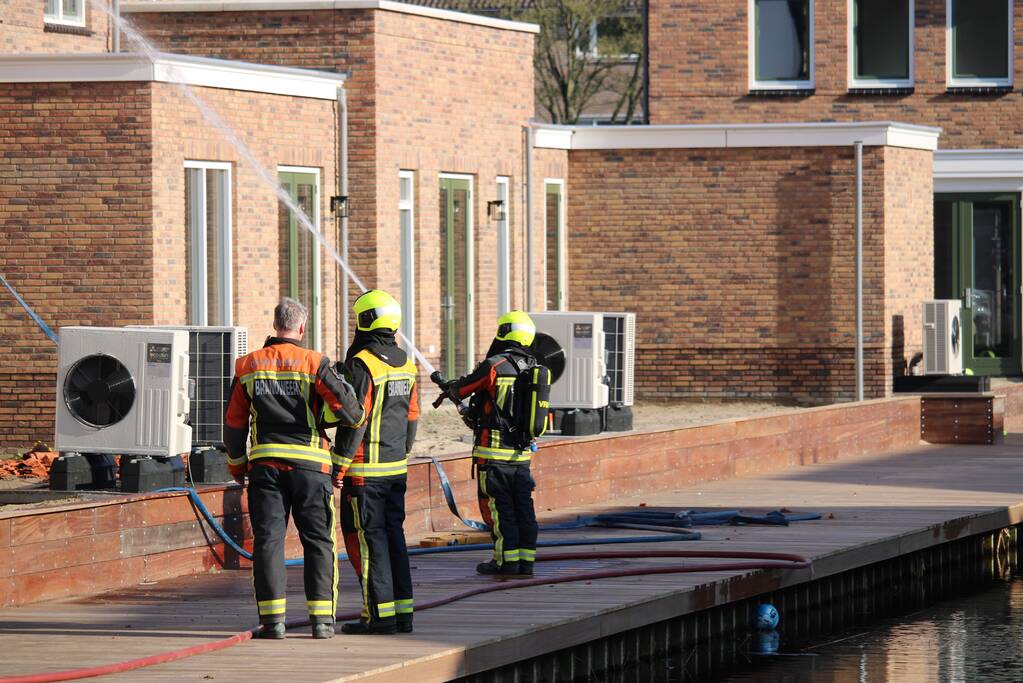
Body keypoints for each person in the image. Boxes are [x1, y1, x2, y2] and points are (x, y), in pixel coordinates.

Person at [224, 297, 363, 640]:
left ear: (275, 325)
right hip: (311, 466)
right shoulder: (315, 363)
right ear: (301, 327)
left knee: (268, 542)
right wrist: (340, 465)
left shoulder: (247, 364)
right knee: (318, 542)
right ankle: (321, 622)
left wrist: (236, 463)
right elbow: (354, 414)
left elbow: (234, 422)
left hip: (265, 466)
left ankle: (273, 623)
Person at [333, 290, 419, 635]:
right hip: (396, 469)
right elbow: (413, 417)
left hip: (364, 472)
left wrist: (339, 466)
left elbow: (356, 420)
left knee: (369, 543)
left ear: (365, 321)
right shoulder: (407, 362)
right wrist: (402, 453)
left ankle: (378, 617)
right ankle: (403, 613)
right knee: (394, 538)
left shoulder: (362, 364)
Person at [441, 310, 540, 576]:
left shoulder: (495, 366)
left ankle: (505, 562)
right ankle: (525, 561)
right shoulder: (534, 368)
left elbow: (461, 389)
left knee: (499, 508)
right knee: (523, 507)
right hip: (521, 456)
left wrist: (449, 387)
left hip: (493, 453)